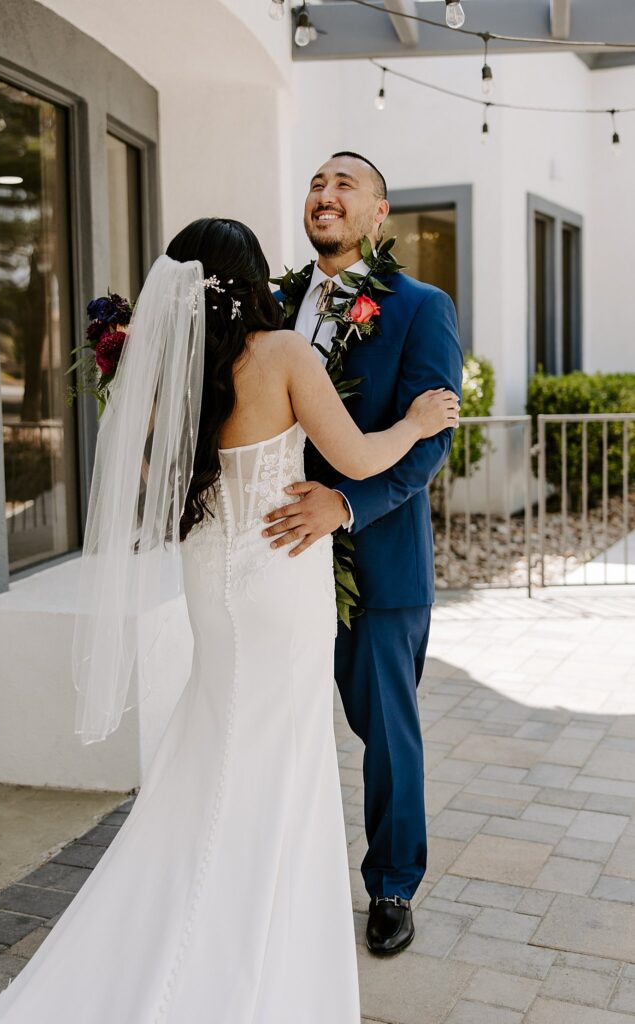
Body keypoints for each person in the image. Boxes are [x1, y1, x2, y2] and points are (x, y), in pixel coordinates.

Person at [0, 217, 458, 1024]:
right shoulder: (280, 355)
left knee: (220, 734)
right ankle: (241, 939)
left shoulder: (168, 366)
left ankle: (220, 901)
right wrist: (416, 422)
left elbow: (154, 473)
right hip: (274, 573)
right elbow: (356, 458)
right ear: (252, 277)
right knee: (275, 751)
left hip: (210, 573)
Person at [268, 152, 464, 956]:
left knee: (385, 731)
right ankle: (284, 869)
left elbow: (429, 444)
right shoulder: (272, 306)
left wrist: (344, 503)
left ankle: (391, 885)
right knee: (282, 720)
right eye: (316, 182)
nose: (325, 194)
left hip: (379, 563)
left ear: (379, 214)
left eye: (344, 184)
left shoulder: (420, 308)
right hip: (278, 559)